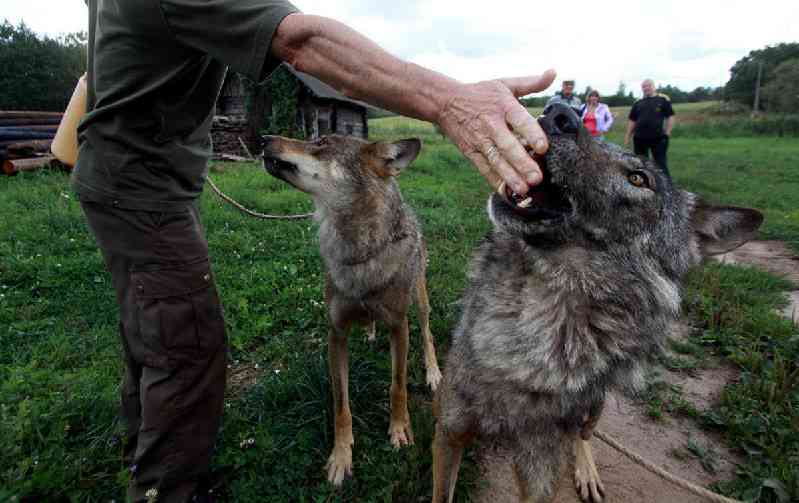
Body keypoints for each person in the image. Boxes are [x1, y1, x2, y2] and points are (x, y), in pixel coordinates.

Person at [74, 1, 556, 502]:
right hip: (144, 191)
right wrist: (450, 101)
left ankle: (139, 444)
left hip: (122, 180)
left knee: (149, 329)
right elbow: (303, 41)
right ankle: (165, 488)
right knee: (185, 343)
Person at [624, 78, 675, 175]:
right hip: (639, 138)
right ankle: (646, 184)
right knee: (641, 163)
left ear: (654, 86)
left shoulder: (663, 99)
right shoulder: (637, 102)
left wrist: (667, 133)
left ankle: (667, 187)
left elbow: (670, 117)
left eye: (648, 85)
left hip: (658, 138)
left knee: (660, 164)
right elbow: (632, 120)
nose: (646, 88)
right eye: (644, 86)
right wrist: (628, 136)